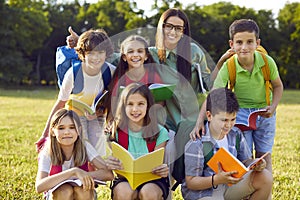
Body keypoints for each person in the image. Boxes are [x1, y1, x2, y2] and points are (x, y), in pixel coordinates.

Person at [191, 19, 284, 173]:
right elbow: (213, 94)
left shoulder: (267, 62)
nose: (244, 47)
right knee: (243, 158)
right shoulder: (230, 66)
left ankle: (265, 193)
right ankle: (246, 194)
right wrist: (199, 121)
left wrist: (273, 106)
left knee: (264, 156)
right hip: (240, 115)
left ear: (257, 43)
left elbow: (278, 86)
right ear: (231, 44)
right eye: (239, 42)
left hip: (265, 112)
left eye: (249, 42)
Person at [35, 29, 115, 157]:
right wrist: (45, 134)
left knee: (96, 153)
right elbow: (60, 103)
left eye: (100, 52)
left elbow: (114, 100)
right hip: (74, 117)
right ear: (83, 54)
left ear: (106, 53)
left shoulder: (110, 72)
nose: (96, 57)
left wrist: (101, 114)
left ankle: (95, 175)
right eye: (91, 53)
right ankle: (78, 172)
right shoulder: (73, 73)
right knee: (80, 151)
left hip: (97, 116)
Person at [182, 88, 273, 200]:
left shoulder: (235, 134)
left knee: (265, 177)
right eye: (224, 120)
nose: (229, 125)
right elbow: (191, 182)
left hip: (229, 187)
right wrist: (217, 179)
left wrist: (255, 163)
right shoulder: (197, 143)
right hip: (205, 193)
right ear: (209, 116)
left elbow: (245, 161)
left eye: (233, 119)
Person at [105, 83, 170, 200]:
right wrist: (111, 163)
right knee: (124, 192)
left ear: (148, 106)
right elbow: (113, 164)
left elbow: (158, 163)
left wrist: (163, 169)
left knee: (148, 193)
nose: (135, 109)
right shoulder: (117, 130)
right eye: (130, 104)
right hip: (124, 178)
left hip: (152, 179)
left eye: (140, 104)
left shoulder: (160, 132)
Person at [35, 108, 114, 200]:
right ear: (53, 131)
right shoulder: (48, 150)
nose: (67, 132)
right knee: (65, 190)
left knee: (82, 190)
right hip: (57, 194)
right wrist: (73, 172)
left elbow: (108, 174)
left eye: (72, 127)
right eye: (61, 128)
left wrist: (83, 175)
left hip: (84, 194)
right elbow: (39, 186)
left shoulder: (84, 146)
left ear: (79, 130)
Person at [104, 35, 163, 124]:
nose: (135, 55)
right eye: (130, 52)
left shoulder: (153, 76)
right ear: (124, 57)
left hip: (148, 121)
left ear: (146, 56)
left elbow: (161, 102)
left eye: (140, 51)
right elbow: (113, 104)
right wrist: (110, 123)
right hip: (124, 121)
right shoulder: (120, 78)